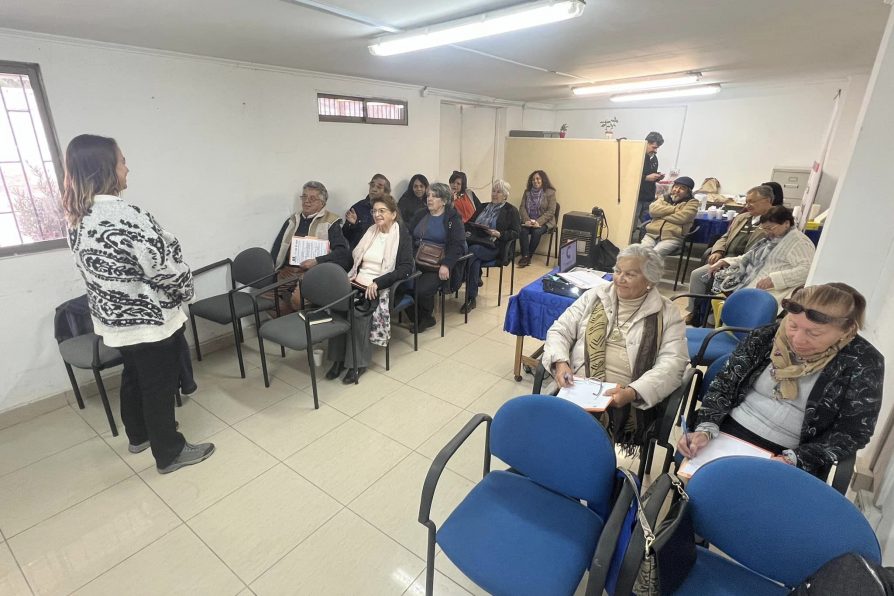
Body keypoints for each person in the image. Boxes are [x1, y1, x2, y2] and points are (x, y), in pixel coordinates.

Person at [62, 134, 213, 474]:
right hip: (148, 321)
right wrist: (186, 289)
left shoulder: (76, 217)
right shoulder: (127, 215)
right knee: (158, 385)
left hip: (114, 321)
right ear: (106, 168)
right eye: (122, 161)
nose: (127, 167)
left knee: (133, 375)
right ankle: (169, 452)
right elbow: (163, 267)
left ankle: (138, 435)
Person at [677, 283, 884, 476]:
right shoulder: (767, 337)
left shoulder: (863, 363)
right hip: (727, 431)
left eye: (814, 333)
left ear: (846, 331)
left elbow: (854, 432)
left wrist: (796, 459)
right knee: (698, 487)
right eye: (793, 325)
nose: (797, 339)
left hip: (793, 452)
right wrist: (705, 429)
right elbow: (724, 384)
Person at [542, 245, 688, 450]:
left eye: (630, 274)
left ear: (649, 280)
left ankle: (576, 467)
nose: (619, 278)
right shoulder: (596, 295)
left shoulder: (667, 313)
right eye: (618, 270)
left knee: (574, 433)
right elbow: (560, 330)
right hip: (576, 385)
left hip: (622, 396)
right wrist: (560, 362)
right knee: (555, 425)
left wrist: (633, 392)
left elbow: (673, 365)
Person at [326, 194, 413, 384]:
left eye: (382, 211)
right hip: (357, 281)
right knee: (338, 309)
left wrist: (379, 282)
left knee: (357, 313)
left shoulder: (401, 235)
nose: (377, 214)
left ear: (393, 214)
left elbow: (406, 268)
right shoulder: (371, 231)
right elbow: (355, 258)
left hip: (380, 286)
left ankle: (357, 363)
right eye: (374, 211)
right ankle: (338, 360)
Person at [686, 185, 775, 319]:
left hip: (747, 265)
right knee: (697, 275)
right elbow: (725, 237)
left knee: (724, 281)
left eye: (752, 201)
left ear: (767, 201)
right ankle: (695, 312)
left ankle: (716, 315)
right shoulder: (742, 217)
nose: (748, 205)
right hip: (725, 260)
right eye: (747, 201)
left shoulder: (774, 222)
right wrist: (718, 250)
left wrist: (732, 263)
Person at [270, 181, 351, 311]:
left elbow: (342, 252)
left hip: (312, 272)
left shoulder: (331, 222)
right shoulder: (293, 220)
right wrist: (273, 267)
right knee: (262, 297)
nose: (306, 201)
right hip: (289, 270)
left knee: (297, 300)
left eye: (312, 198)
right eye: (304, 197)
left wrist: (317, 261)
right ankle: (290, 322)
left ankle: (298, 323)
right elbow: (277, 246)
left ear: (322, 203)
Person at [709, 205, 815, 306]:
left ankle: (717, 318)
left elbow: (807, 270)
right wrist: (725, 261)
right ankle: (711, 318)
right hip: (754, 279)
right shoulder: (773, 239)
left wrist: (774, 279)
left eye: (770, 228)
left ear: (786, 223)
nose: (767, 232)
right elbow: (750, 256)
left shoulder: (799, 242)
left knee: (720, 289)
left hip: (771, 290)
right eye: (764, 229)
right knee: (712, 278)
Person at [408, 182, 467, 332]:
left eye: (434, 196)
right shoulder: (421, 214)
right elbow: (407, 235)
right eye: (428, 195)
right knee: (402, 285)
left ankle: (426, 317)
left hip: (436, 264)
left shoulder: (452, 218)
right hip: (414, 260)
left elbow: (457, 245)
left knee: (421, 290)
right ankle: (418, 316)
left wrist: (446, 265)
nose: (429, 199)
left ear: (444, 200)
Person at [463, 179, 521, 314]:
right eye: (493, 191)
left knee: (472, 252)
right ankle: (471, 297)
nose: (495, 194)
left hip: (494, 246)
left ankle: (461, 282)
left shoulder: (511, 211)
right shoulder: (482, 207)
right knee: (473, 257)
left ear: (505, 195)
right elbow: (469, 223)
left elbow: (516, 233)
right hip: (476, 242)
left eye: (499, 192)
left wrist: (499, 233)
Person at [640, 175, 699, 256]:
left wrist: (660, 215)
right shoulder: (664, 197)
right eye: (676, 187)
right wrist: (675, 210)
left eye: (682, 188)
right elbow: (652, 211)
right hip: (651, 235)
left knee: (654, 255)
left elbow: (683, 217)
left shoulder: (692, 202)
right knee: (641, 254)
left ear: (688, 192)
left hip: (672, 238)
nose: (677, 190)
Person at [517, 169, 557, 268]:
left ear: (543, 180)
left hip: (544, 222)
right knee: (523, 230)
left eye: (538, 178)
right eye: (533, 179)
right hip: (528, 220)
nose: (535, 181)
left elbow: (551, 211)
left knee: (536, 232)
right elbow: (522, 207)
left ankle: (528, 256)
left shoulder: (550, 193)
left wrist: (538, 222)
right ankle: (525, 256)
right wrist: (527, 220)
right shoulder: (527, 192)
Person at [343, 174, 390, 249]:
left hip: (381, 251)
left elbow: (384, 235)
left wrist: (358, 223)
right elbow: (345, 236)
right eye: (372, 185)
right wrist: (351, 225)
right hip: (358, 251)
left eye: (379, 187)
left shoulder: (390, 211)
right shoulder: (357, 207)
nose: (374, 189)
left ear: (386, 192)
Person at [636, 132, 665, 224]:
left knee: (647, 224)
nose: (656, 151)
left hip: (649, 198)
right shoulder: (637, 156)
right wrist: (645, 178)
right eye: (654, 147)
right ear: (646, 143)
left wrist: (657, 177)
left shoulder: (654, 158)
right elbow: (629, 176)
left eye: (657, 148)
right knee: (631, 225)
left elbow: (648, 173)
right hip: (637, 198)